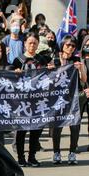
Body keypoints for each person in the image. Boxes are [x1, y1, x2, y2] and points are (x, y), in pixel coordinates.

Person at [12, 32, 52, 167]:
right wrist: (14, 73)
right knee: (21, 130)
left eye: (35, 43)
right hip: (22, 100)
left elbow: (51, 74)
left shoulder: (42, 59)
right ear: (25, 44)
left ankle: (32, 157)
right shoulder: (18, 60)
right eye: (30, 42)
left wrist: (52, 69)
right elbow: (9, 78)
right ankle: (21, 157)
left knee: (36, 129)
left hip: (38, 100)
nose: (32, 45)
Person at [51, 35, 87, 165]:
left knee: (75, 126)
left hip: (74, 97)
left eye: (73, 46)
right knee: (57, 126)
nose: (70, 48)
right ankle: (56, 152)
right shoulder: (54, 59)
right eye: (68, 45)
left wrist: (81, 68)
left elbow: (83, 79)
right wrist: (61, 64)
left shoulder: (76, 59)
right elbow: (52, 79)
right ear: (62, 45)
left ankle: (72, 152)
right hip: (59, 97)